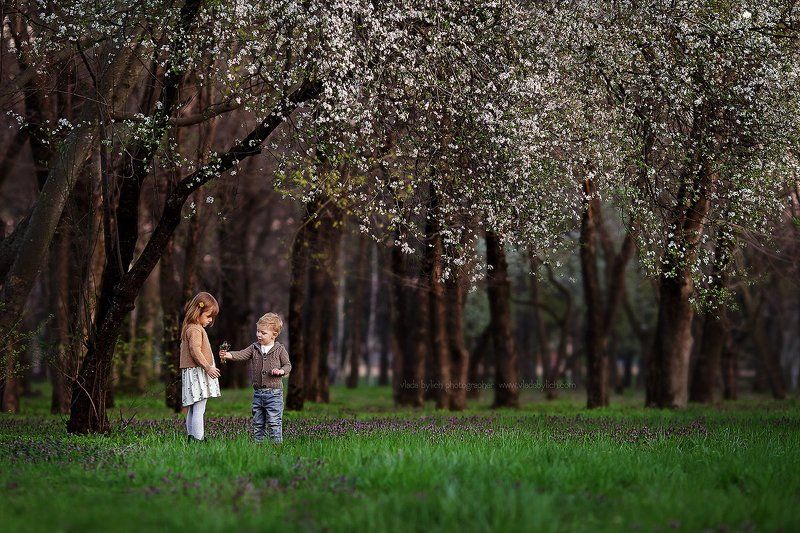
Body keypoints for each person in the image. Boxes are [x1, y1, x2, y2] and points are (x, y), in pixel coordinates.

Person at [220, 313, 291, 443]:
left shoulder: (280, 349)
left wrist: (281, 371)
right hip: (258, 394)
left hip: (274, 394)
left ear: (274, 334)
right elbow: (242, 354)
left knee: (274, 422)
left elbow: (288, 365)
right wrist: (228, 355)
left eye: (263, 333)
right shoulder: (254, 348)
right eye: (258, 331)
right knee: (258, 422)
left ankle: (277, 447)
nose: (259, 335)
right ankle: (258, 446)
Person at [180, 292, 222, 442]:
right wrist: (207, 367)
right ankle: (198, 439)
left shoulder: (189, 327)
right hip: (198, 372)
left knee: (193, 408)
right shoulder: (195, 329)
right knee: (199, 408)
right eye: (208, 316)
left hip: (193, 372)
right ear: (198, 312)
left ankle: (192, 437)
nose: (210, 320)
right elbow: (195, 351)